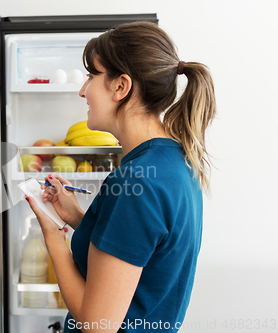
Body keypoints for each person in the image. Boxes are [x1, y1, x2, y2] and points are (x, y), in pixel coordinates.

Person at [25, 21, 216, 333]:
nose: (82, 90)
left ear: (120, 86)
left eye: (91, 76)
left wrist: (54, 238)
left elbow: (97, 325)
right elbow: (140, 249)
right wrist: (75, 216)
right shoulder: (174, 159)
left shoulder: (134, 183)